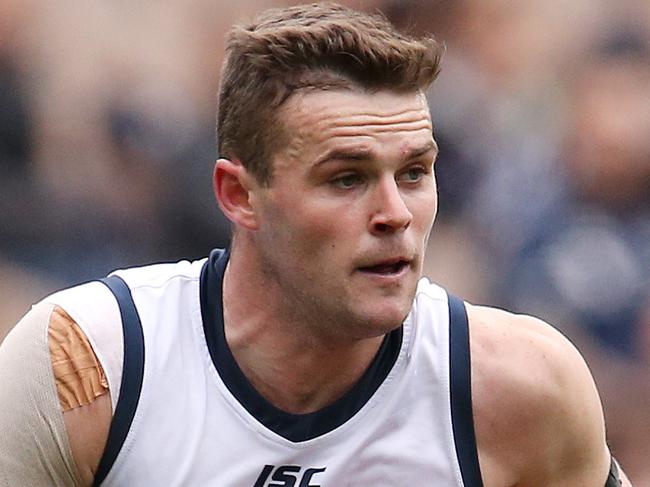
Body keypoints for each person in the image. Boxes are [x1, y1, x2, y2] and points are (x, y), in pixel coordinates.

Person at [0, 3, 633, 486]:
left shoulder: (522, 388)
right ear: (239, 196)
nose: (394, 214)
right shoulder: (90, 368)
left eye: (414, 172)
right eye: (346, 178)